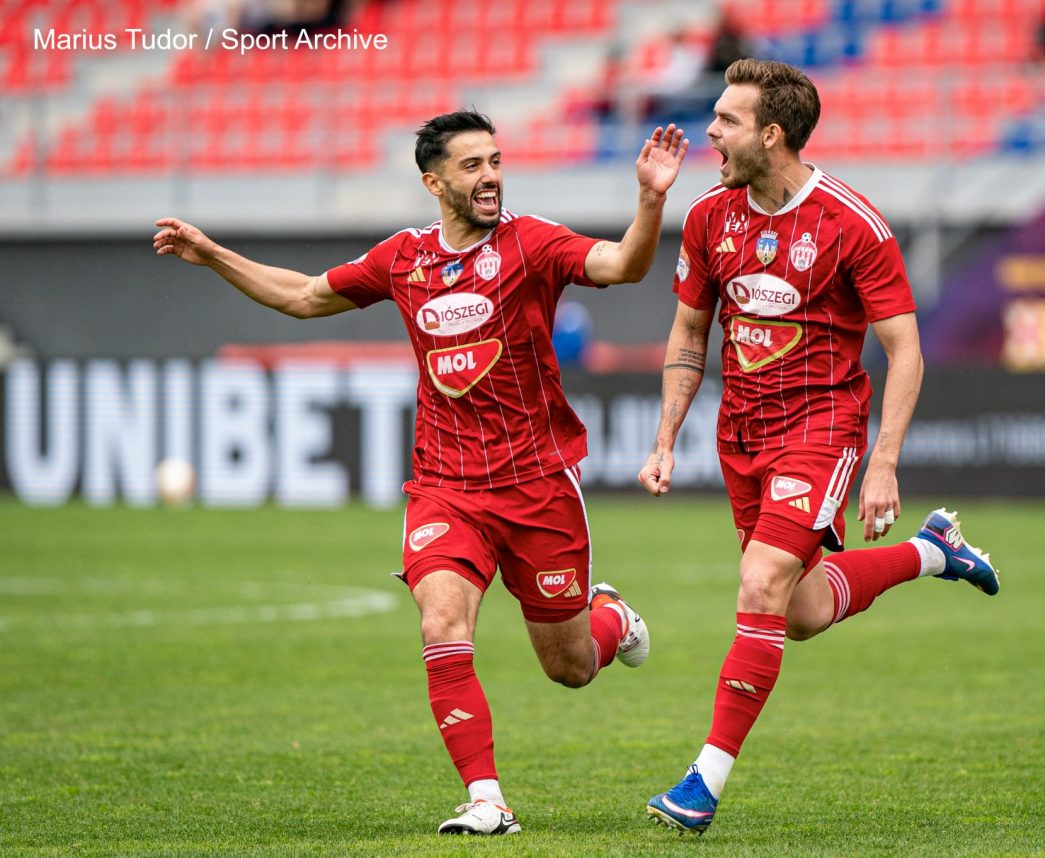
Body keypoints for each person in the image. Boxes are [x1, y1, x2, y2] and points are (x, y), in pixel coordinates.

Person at [153, 110, 689, 836]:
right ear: (434, 181)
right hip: (446, 484)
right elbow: (305, 296)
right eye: (472, 165)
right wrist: (213, 253)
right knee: (442, 620)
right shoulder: (404, 258)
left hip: (537, 484)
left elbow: (623, 265)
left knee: (569, 668)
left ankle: (610, 617)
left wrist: (651, 200)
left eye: (496, 160)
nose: (491, 175)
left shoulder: (532, 243)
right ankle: (487, 799)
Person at [636, 59, 1000, 836]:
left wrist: (884, 461)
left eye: (727, 121)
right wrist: (666, 438)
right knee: (796, 611)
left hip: (821, 429)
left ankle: (703, 783)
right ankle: (934, 552)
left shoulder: (852, 224)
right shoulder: (708, 218)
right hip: (742, 436)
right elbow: (689, 335)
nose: (710, 131)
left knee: (761, 580)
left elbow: (906, 351)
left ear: (772, 134)